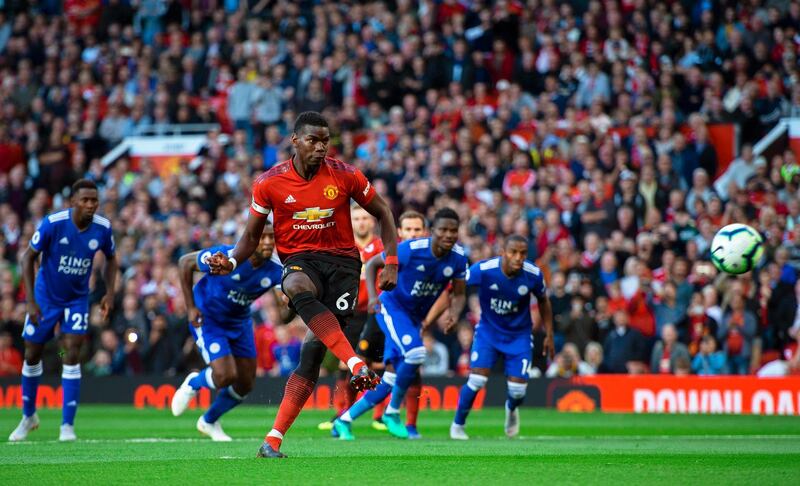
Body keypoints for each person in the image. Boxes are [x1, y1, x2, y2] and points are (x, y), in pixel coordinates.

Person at [207, 111, 399, 459]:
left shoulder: (345, 175)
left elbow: (384, 213)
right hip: (301, 260)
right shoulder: (269, 182)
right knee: (294, 285)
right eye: (313, 140)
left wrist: (392, 262)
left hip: (343, 266)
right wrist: (232, 261)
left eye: (325, 140)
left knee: (310, 358)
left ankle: (273, 439)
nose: (321, 147)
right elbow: (251, 237)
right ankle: (355, 363)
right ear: (295, 141)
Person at [332, 208, 468, 440]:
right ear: (432, 232)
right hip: (392, 308)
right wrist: (374, 298)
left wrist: (454, 314)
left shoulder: (457, 258)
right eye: (443, 229)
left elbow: (460, 293)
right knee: (415, 353)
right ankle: (392, 412)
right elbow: (374, 264)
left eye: (453, 231)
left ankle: (343, 421)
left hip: (413, 317)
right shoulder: (409, 250)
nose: (448, 235)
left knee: (391, 378)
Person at [9, 179, 117, 442]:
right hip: (45, 298)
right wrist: (31, 301)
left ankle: (67, 426)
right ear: (73, 202)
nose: (91, 205)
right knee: (32, 352)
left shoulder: (102, 228)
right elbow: (27, 258)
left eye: (94, 200)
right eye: (85, 200)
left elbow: (112, 259)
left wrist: (109, 293)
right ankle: (28, 416)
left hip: (77, 299)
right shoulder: (53, 223)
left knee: (71, 352)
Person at [170, 222, 288, 441]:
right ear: (251, 238)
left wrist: (290, 301)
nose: (269, 242)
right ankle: (194, 383)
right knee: (225, 376)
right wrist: (190, 307)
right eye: (263, 237)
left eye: (272, 238)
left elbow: (286, 313)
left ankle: (209, 421)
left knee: (245, 383)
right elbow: (184, 263)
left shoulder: (276, 269)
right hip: (208, 319)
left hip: (240, 321)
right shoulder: (225, 255)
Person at [450, 235, 554, 440]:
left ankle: (511, 408)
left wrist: (549, 333)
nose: (518, 257)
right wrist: (453, 311)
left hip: (519, 336)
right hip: (488, 332)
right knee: (477, 379)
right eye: (513, 252)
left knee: (517, 391)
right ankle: (458, 425)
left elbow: (543, 301)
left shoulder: (533, 274)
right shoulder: (484, 270)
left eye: (522, 253)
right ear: (502, 252)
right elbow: (457, 284)